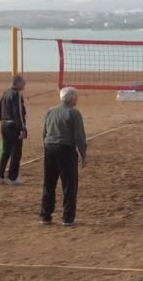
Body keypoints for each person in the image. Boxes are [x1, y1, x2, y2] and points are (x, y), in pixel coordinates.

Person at [39, 87, 87, 226]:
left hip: (49, 148)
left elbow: (45, 132)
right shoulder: (74, 113)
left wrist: (48, 147)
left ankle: (45, 216)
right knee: (69, 185)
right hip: (65, 150)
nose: (77, 99)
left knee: (49, 183)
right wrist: (83, 154)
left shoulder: (51, 111)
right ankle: (68, 218)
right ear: (71, 98)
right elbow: (79, 137)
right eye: (76, 97)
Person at [0, 74, 27, 185]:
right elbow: (18, 113)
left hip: (4, 125)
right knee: (16, 152)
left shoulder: (6, 92)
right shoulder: (16, 94)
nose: (25, 84)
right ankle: (13, 178)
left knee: (5, 151)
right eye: (23, 82)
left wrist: (3, 120)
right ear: (17, 83)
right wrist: (22, 129)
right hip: (13, 126)